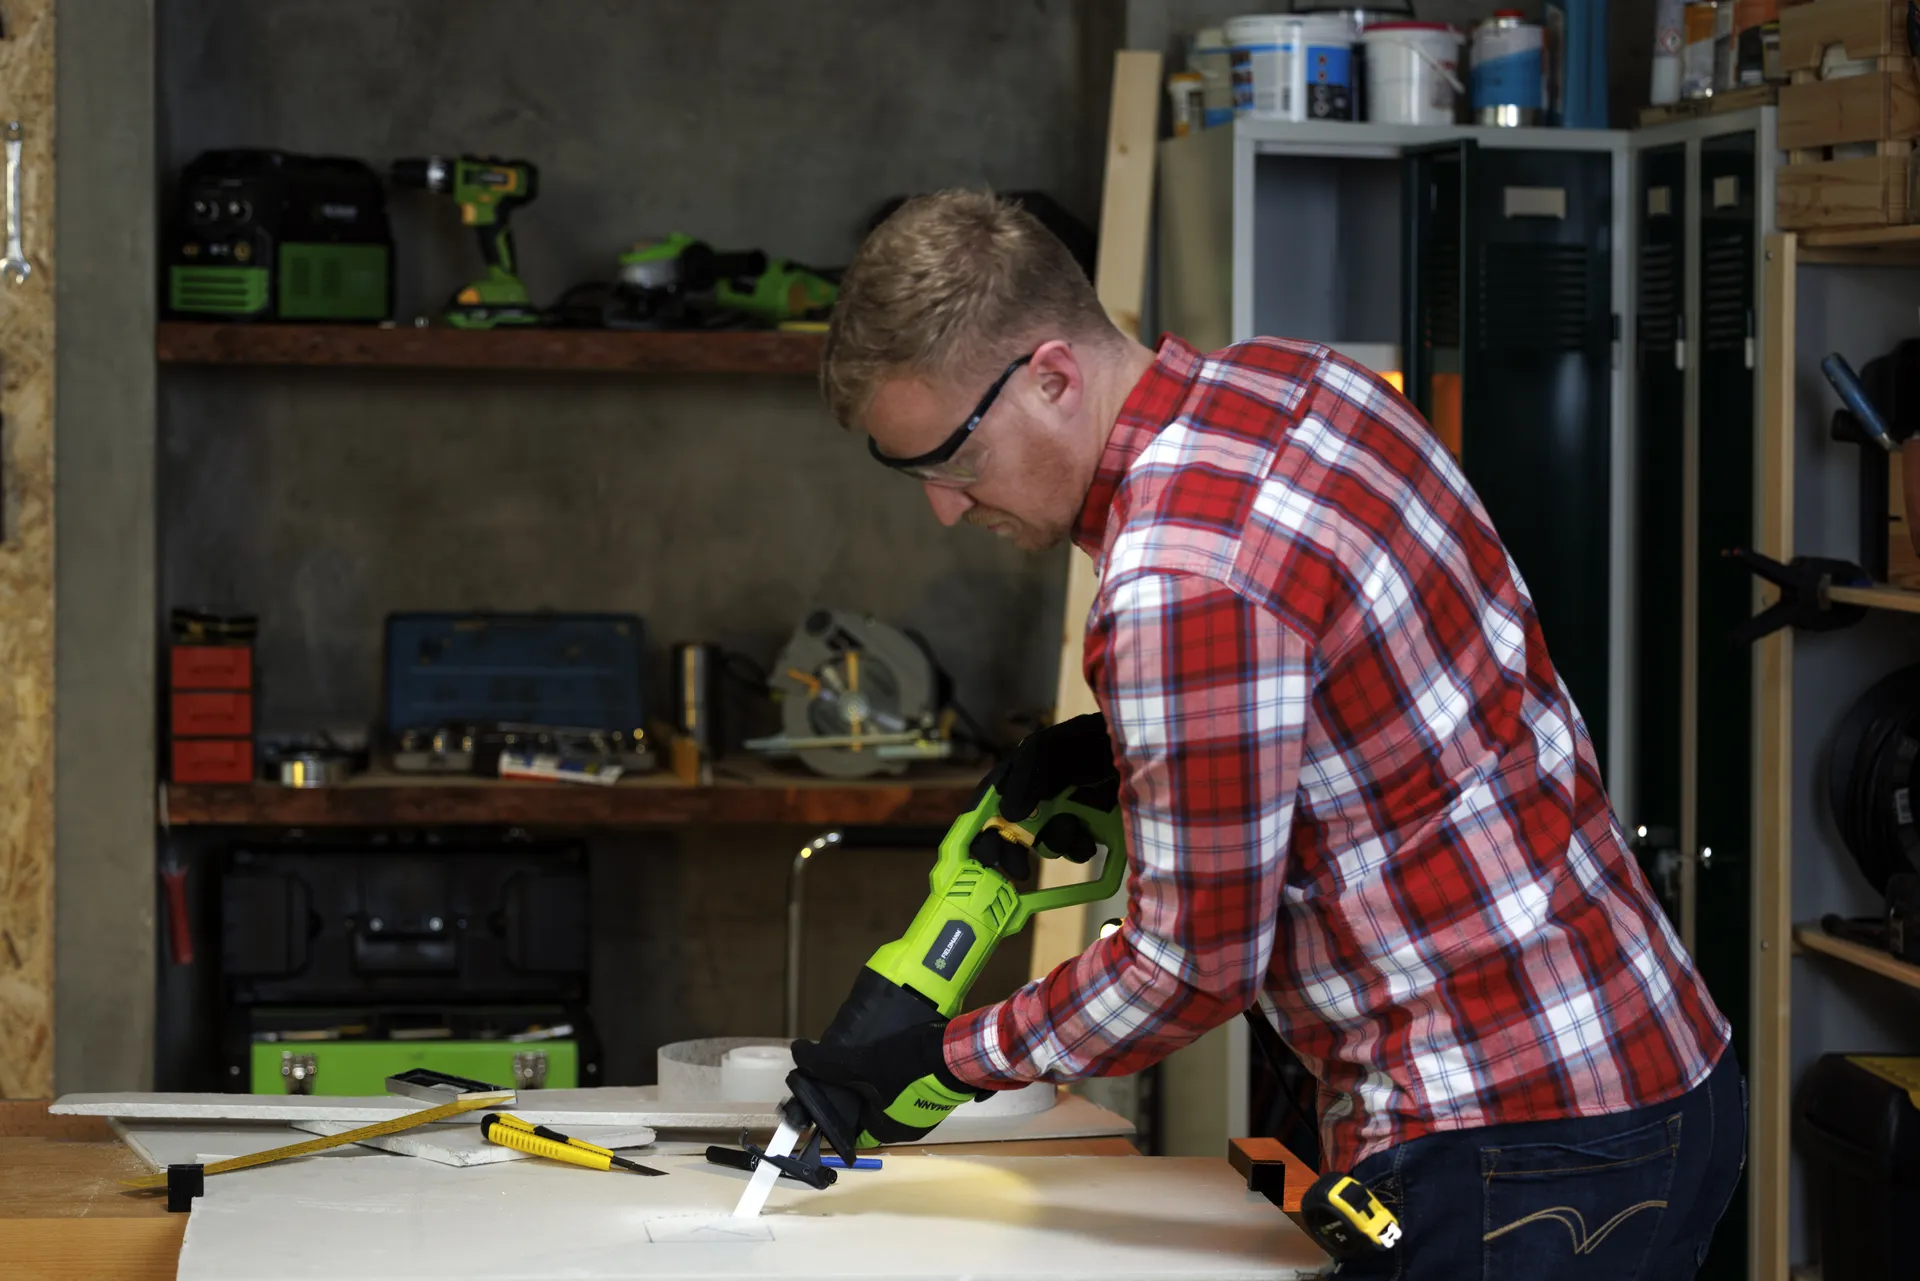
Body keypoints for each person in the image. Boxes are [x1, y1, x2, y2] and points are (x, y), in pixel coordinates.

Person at [789, 190, 1744, 1279]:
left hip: (1509, 1143)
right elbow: (1387, 683)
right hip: (1646, 1056)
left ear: (1051, 375)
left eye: (954, 460)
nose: (947, 508)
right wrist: (1127, 747)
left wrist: (944, 1059)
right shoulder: (1299, 384)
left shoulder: (1175, 582)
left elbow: (1187, 968)